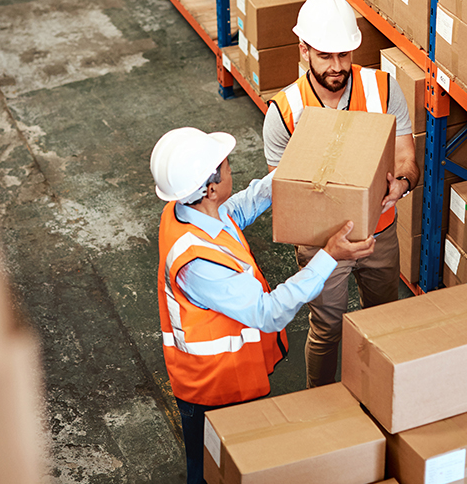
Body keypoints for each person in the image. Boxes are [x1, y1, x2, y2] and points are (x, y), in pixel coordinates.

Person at [150, 127, 375, 484]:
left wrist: (289, 173)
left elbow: (236, 210)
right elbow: (268, 313)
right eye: (225, 167)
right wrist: (329, 257)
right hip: (214, 389)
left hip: (224, 374)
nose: (230, 170)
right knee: (213, 470)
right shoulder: (199, 263)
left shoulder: (185, 210)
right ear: (209, 189)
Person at [263, 0, 420, 388]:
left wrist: (400, 184)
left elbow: (406, 156)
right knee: (327, 327)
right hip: (321, 245)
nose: (337, 67)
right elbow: (287, 194)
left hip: (379, 232)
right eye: (326, 56)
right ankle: (322, 405)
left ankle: (380, 393)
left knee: (383, 320)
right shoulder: (285, 111)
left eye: (345, 55)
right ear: (303, 50)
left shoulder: (383, 89)